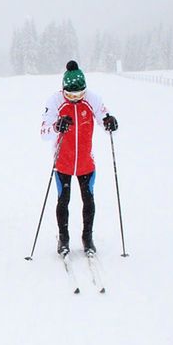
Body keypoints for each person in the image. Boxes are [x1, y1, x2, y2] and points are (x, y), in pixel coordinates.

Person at [40, 60, 119, 256]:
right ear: (63, 89)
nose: (75, 99)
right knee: (63, 201)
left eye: (79, 94)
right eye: (70, 95)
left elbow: (104, 119)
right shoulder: (55, 102)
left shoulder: (93, 99)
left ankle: (87, 238)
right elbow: (43, 132)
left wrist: (110, 122)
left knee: (89, 201)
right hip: (63, 162)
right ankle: (64, 239)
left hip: (85, 162)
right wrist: (57, 126)